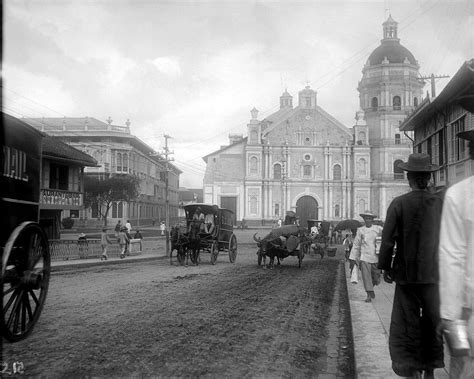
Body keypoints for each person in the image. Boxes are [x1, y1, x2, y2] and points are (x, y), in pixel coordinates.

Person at [378, 153, 444, 378]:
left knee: (406, 322)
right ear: (429, 178)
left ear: (409, 178)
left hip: (406, 274)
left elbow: (388, 240)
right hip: (435, 274)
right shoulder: (440, 203)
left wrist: (385, 267)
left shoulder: (399, 203)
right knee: (433, 320)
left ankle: (411, 367)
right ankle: (431, 368)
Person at [438, 130, 474, 378]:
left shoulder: (459, 195)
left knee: (462, 366)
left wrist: (450, 315)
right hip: (468, 311)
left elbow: (451, 257)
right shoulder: (458, 195)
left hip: (465, 310)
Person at [349, 210, 383, 303]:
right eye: (366, 218)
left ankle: (371, 288)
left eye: (369, 218)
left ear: (372, 220)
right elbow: (356, 244)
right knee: (366, 277)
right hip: (364, 258)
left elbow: (385, 238)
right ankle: (369, 295)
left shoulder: (378, 229)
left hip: (375, 257)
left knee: (376, 278)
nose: (368, 220)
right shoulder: (361, 230)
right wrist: (352, 257)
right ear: (364, 219)